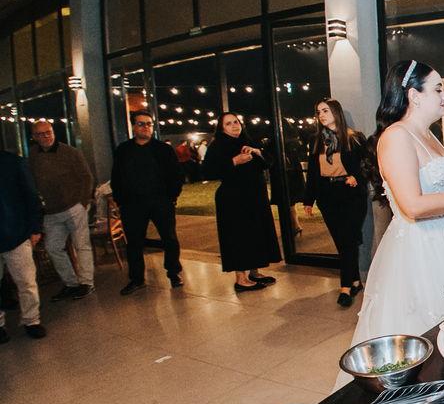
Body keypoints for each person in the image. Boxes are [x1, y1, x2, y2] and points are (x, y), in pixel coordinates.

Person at [352, 60, 444, 345]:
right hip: (424, 248)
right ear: (414, 96)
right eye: (438, 89)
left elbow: (432, 185)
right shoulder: (396, 136)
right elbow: (412, 206)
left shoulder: (429, 134)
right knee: (438, 334)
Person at [202, 113, 282, 292]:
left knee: (256, 234)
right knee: (239, 237)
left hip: (254, 198)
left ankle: (255, 271)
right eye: (228, 123)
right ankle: (241, 279)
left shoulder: (247, 142)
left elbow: (268, 162)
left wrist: (257, 152)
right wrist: (234, 161)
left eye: (236, 122)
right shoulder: (218, 145)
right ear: (222, 128)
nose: (234, 126)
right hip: (234, 200)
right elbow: (208, 171)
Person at [111, 112, 185, 294]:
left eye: (149, 124)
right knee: (134, 243)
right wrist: (120, 201)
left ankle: (174, 273)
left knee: (169, 238)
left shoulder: (163, 149)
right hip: (132, 204)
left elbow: (177, 174)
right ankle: (136, 279)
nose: (145, 127)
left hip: (160, 201)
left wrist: (171, 196)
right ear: (133, 127)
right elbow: (116, 177)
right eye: (141, 124)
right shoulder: (123, 150)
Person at [303, 99, 368, 306]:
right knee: (342, 242)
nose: (321, 115)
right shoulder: (316, 140)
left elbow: (369, 164)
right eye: (319, 112)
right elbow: (313, 173)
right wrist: (308, 200)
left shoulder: (354, 138)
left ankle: (345, 288)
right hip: (327, 195)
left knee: (348, 240)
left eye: (325, 111)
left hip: (351, 194)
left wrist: (357, 177)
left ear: (336, 112)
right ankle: (355, 281)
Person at [28, 121, 95, 300]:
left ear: (53, 132)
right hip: (51, 211)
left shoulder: (69, 152)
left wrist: (83, 202)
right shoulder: (33, 154)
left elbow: (87, 177)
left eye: (48, 132)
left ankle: (87, 283)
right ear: (34, 137)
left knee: (82, 246)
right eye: (40, 134)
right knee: (53, 248)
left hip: (74, 206)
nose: (45, 136)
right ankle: (71, 283)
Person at [0, 150, 47, 341]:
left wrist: (34, 228)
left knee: (26, 282)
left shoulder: (13, 162)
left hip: (16, 233)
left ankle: (32, 320)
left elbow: (31, 196)